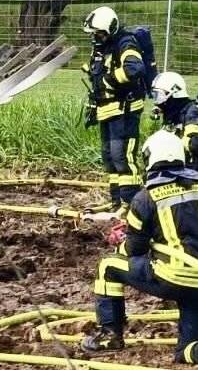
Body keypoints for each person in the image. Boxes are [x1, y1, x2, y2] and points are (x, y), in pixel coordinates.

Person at [82, 129, 198, 362]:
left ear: (150, 158)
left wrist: (120, 245)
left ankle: (110, 335)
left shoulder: (146, 197)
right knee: (186, 352)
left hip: (172, 277)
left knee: (107, 267)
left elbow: (135, 249)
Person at [83, 6, 147, 212]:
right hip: (107, 110)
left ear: (110, 29)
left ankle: (131, 205)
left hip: (125, 111)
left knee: (122, 157)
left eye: (99, 33)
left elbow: (135, 69)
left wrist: (108, 80)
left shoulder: (125, 43)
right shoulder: (102, 47)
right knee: (109, 157)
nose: (96, 37)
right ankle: (116, 202)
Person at [152, 72, 198, 168]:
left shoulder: (191, 111)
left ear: (175, 91)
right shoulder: (172, 112)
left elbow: (194, 144)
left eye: (159, 95)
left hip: (191, 167)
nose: (158, 101)